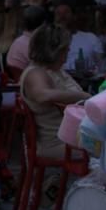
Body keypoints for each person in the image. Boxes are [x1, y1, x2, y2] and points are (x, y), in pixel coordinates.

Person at [20, 25, 87, 162]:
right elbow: (43, 95)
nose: (67, 55)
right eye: (65, 51)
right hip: (59, 143)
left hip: (73, 138)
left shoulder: (54, 70)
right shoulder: (35, 73)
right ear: (54, 51)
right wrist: (84, 97)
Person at [5, 4, 47, 76]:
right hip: (33, 81)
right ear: (44, 23)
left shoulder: (18, 41)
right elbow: (45, 71)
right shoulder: (35, 45)